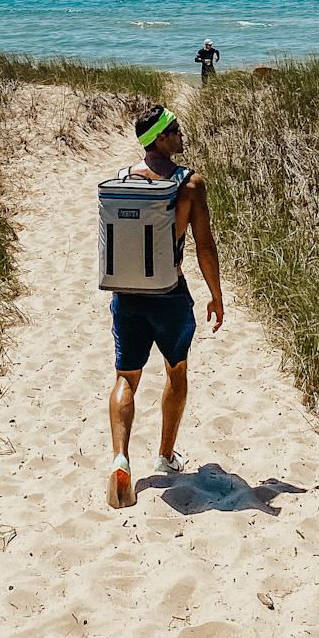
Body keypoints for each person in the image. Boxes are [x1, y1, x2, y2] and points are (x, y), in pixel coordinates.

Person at [106, 105, 224, 509]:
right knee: (176, 371)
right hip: (169, 293)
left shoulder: (123, 181)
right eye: (173, 130)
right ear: (158, 138)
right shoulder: (189, 185)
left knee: (126, 378)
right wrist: (216, 294)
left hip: (127, 294)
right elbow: (205, 245)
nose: (179, 134)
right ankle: (165, 455)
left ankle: (121, 458)